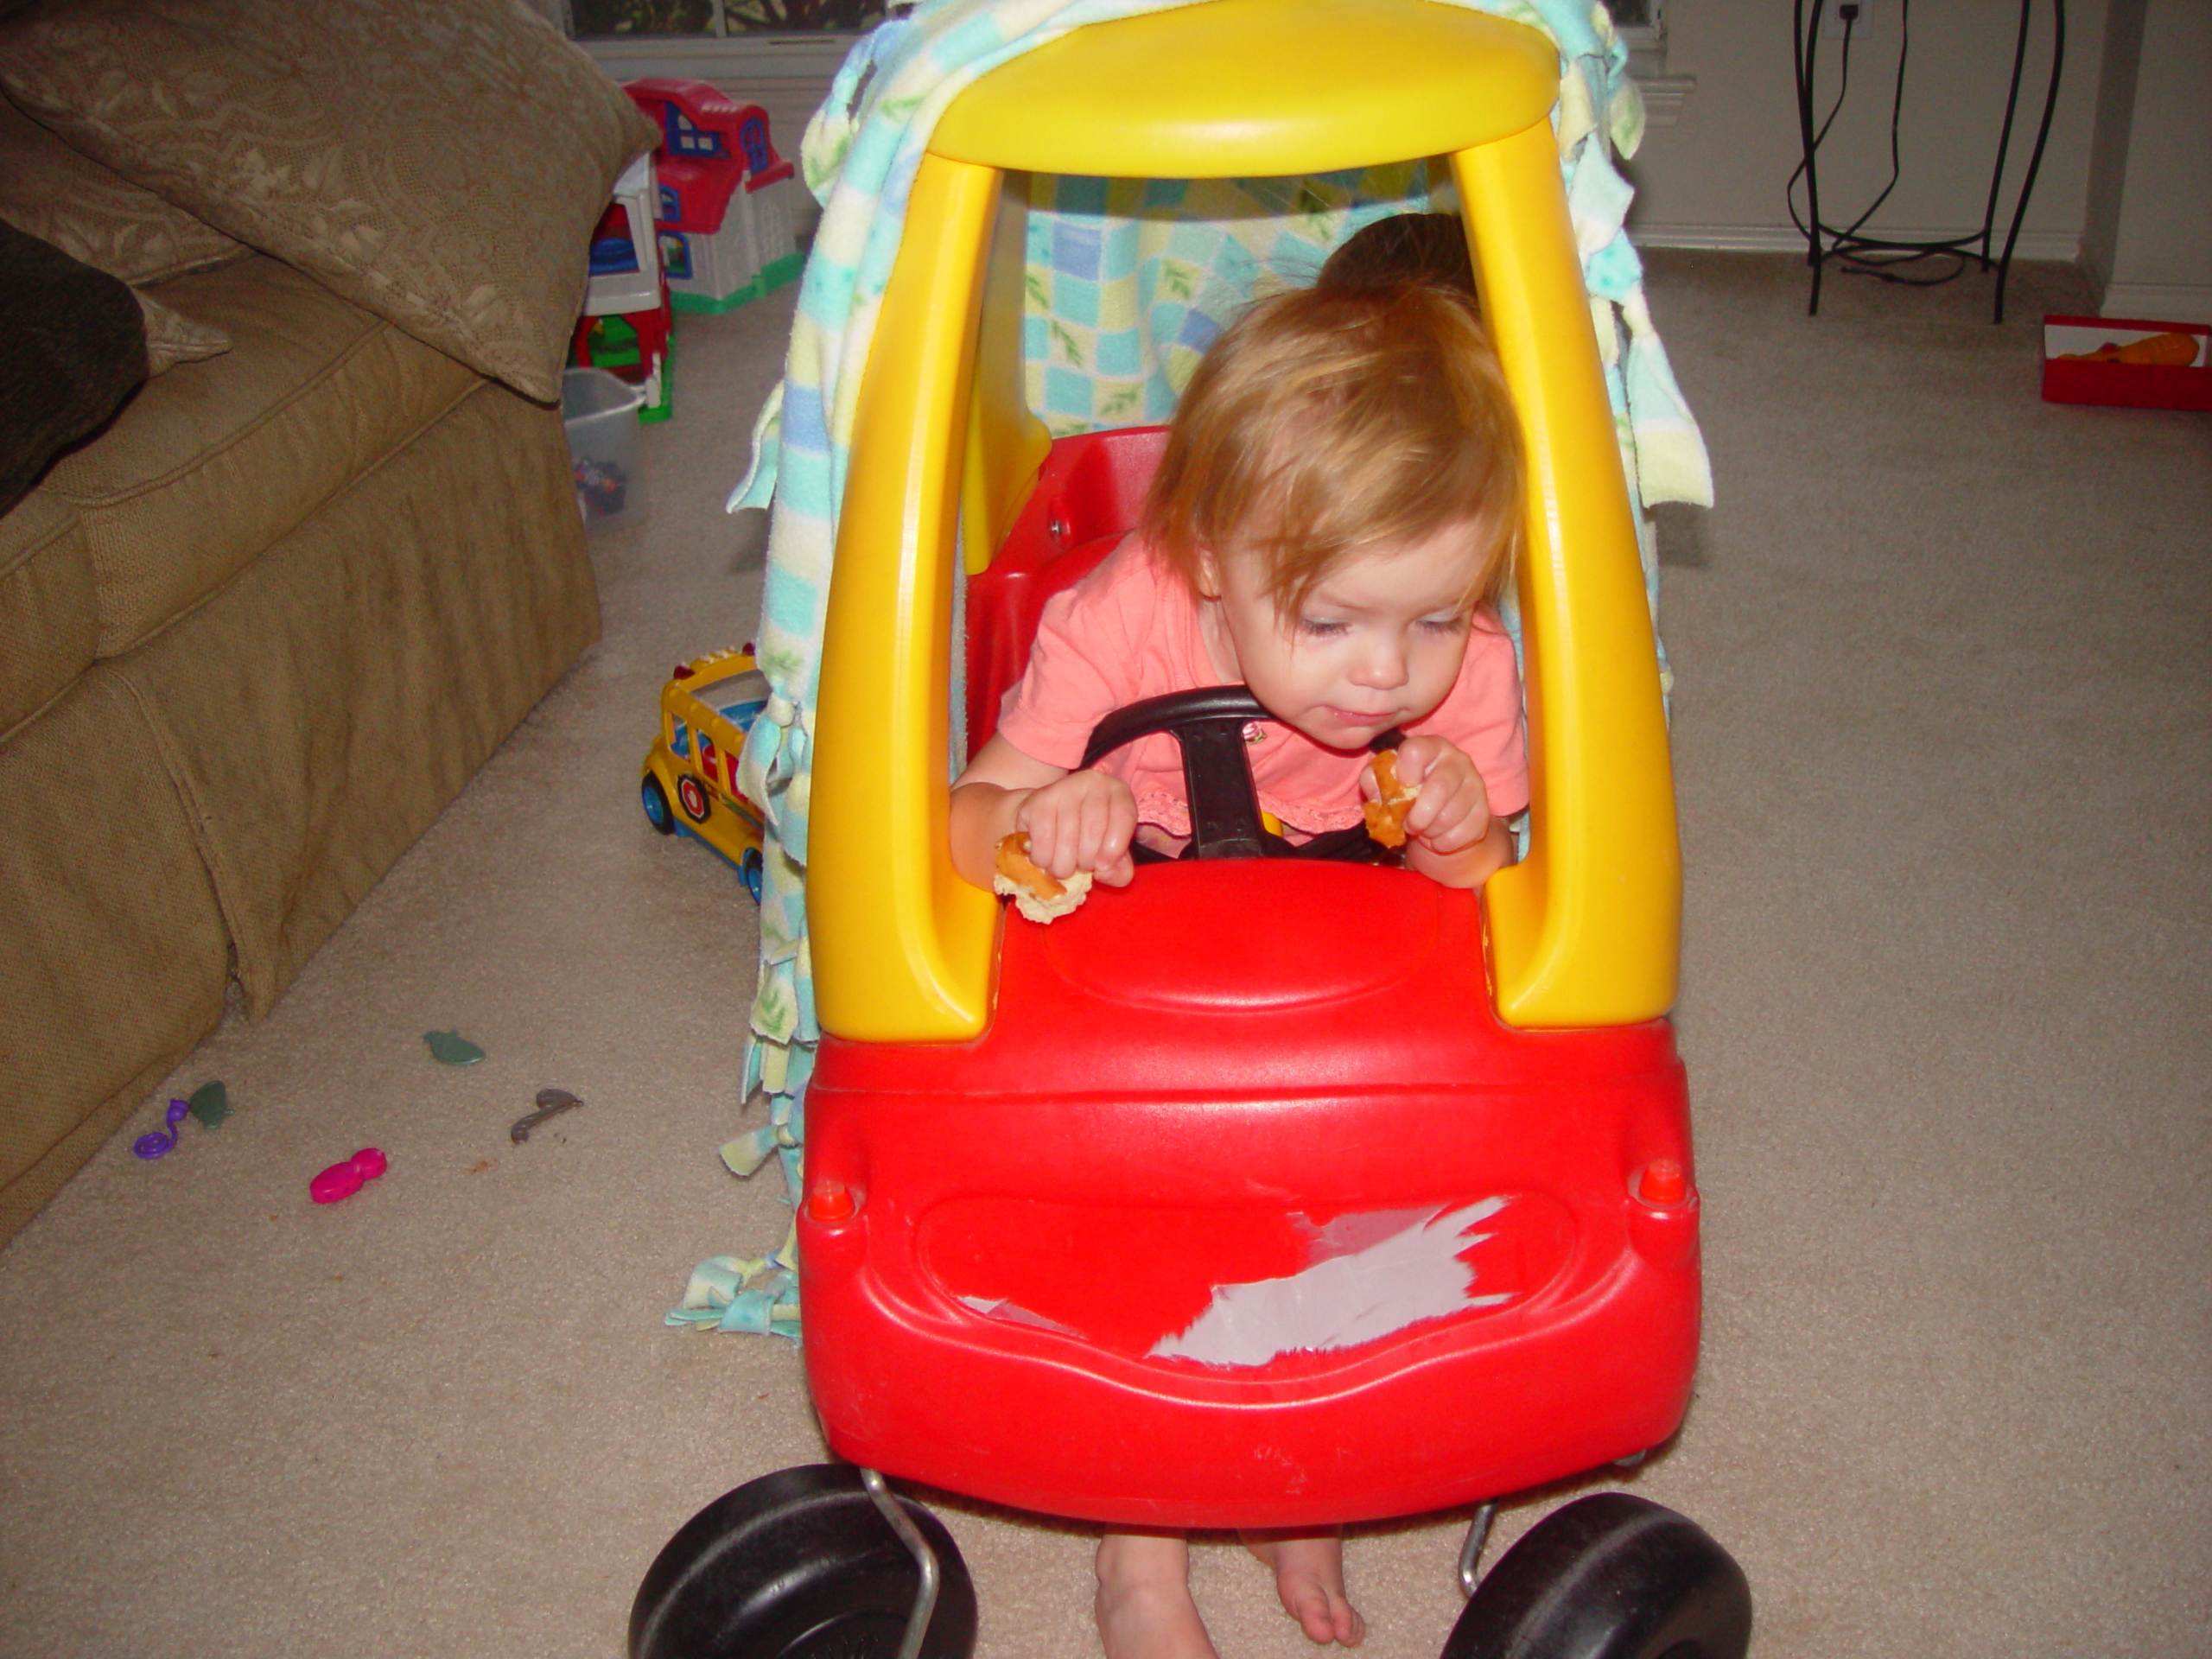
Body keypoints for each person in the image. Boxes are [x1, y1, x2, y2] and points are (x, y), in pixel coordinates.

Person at [947, 244, 1527, 1659]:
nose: (1387, 674)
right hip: (1129, 1003)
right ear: (1210, 556)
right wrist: (1046, 820)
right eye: (1329, 621)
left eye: (1436, 617)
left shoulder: (1478, 675)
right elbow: (958, 827)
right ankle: (1140, 1545)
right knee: (1141, 1235)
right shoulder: (1116, 617)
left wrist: (1457, 827)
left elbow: (1501, 908)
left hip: (1345, 1012)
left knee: (1382, 1208)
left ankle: (1300, 1475)